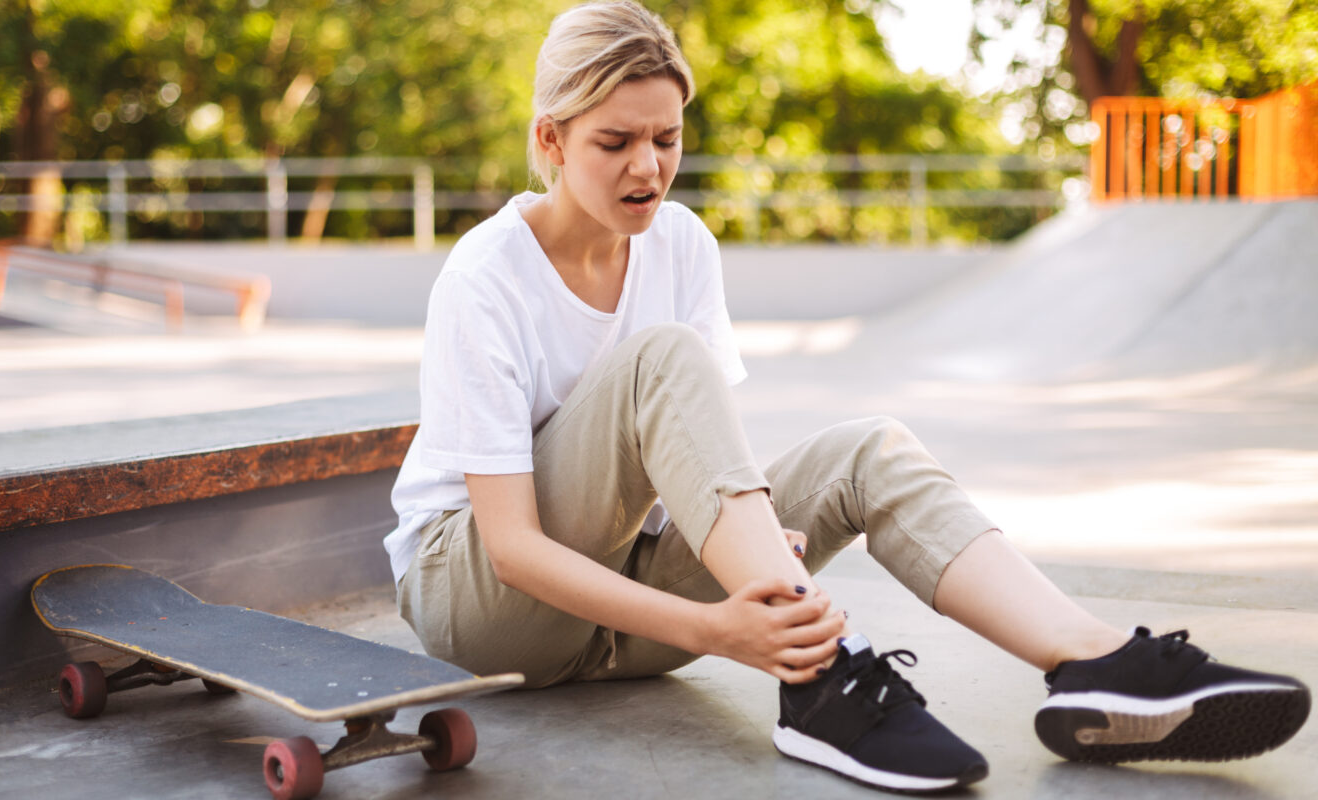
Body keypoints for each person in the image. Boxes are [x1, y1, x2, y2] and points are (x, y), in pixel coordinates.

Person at [385, 0, 1311, 792]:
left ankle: (1096, 664)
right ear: (549, 140)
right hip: (488, 609)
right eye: (614, 142)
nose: (647, 169)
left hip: (619, 610)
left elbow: (697, 456)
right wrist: (719, 626)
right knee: (660, 359)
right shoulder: (488, 276)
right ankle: (819, 680)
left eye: (666, 139)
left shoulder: (681, 245)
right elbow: (512, 549)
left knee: (870, 450)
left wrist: (750, 539)